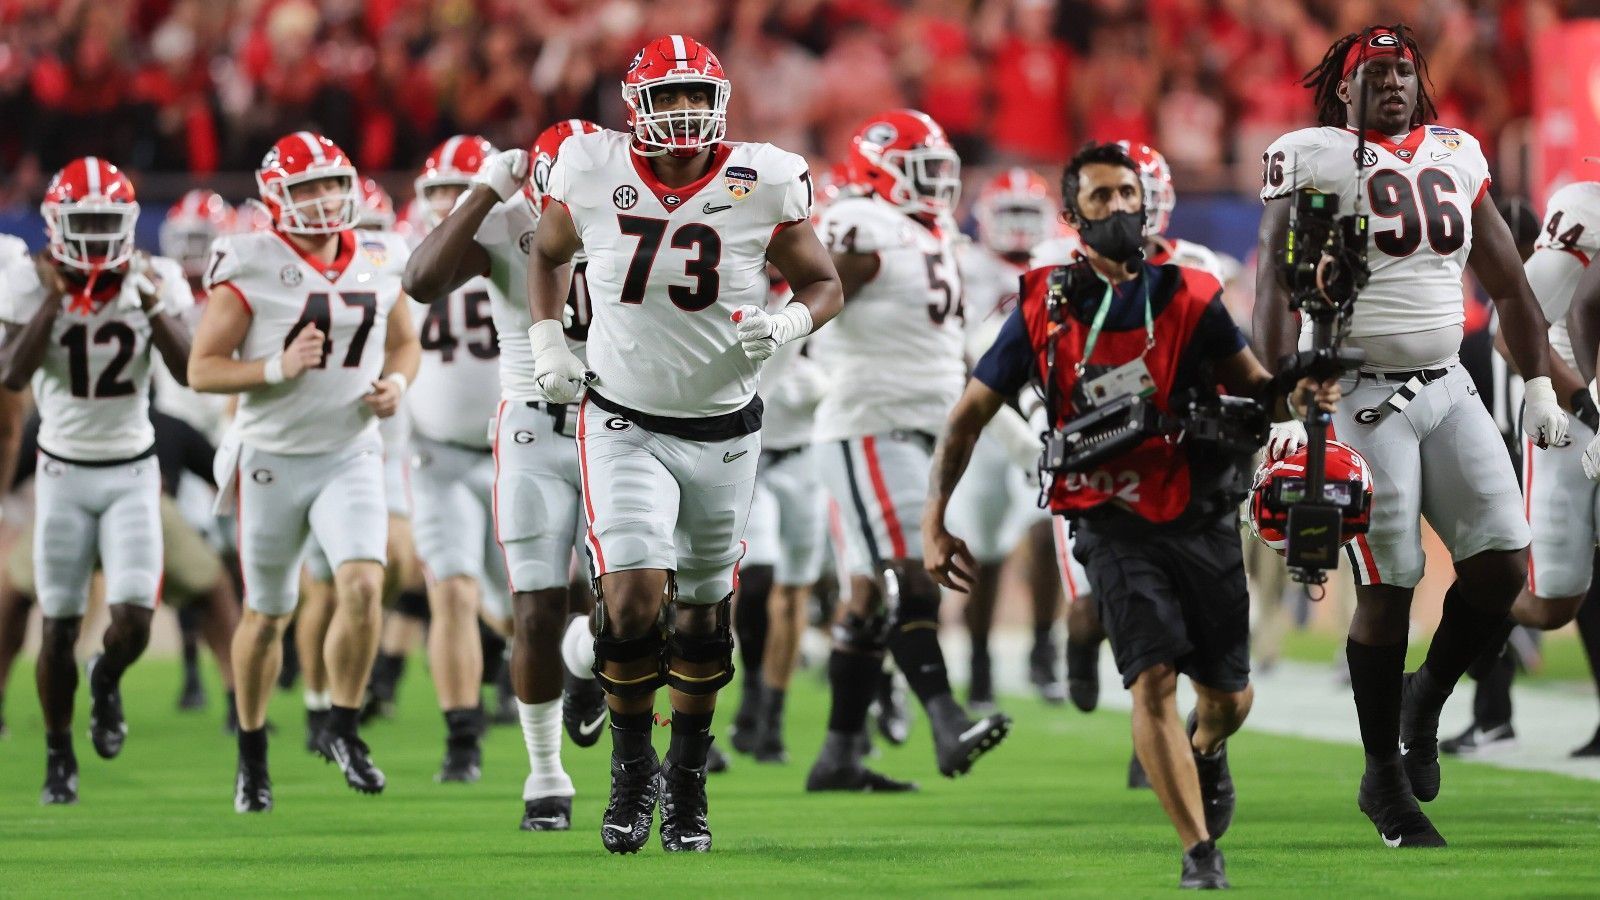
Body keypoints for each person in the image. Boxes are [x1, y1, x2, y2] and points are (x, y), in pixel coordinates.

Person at [926, 141, 1339, 889]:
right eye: (1100, 198)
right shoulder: (1037, 302)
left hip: (1199, 509)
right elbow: (966, 419)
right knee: (1151, 680)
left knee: (1229, 699)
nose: (1118, 208)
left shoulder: (1190, 294)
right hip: (1107, 512)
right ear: (1071, 214)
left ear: (1145, 203)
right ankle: (1199, 851)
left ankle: (1208, 749)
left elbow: (1256, 390)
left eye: (1126, 195)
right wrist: (935, 520)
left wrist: (1298, 391)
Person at [524, 34, 842, 853]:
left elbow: (824, 281)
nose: (684, 111)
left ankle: (688, 783)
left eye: (697, 95)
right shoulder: (591, 167)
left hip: (725, 425)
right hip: (623, 417)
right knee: (630, 598)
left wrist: (786, 323)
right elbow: (548, 253)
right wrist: (550, 343)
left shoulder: (760, 176)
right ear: (636, 105)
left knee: (704, 617)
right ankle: (632, 775)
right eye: (667, 98)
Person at [1255, 25, 1566, 847]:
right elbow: (1271, 285)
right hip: (1354, 394)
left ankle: (1427, 697)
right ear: (1342, 87)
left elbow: (1506, 278)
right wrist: (1283, 395)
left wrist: (1537, 381)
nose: (1392, 84)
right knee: (1387, 586)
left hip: (1447, 383)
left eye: (1402, 71)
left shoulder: (1458, 151)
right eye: (1374, 73)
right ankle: (1382, 779)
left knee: (1502, 562)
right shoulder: (1311, 154)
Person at [189, 131, 421, 813]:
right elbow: (202, 368)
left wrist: (397, 388)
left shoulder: (381, 253)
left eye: (331, 184)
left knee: (362, 585)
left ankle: (344, 727)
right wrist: (274, 368)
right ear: (274, 199)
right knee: (268, 615)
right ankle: (253, 754)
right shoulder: (252, 261)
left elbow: (403, 344)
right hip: (272, 457)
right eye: (306, 188)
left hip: (350, 450)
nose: (323, 201)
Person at [803, 110, 1013, 795]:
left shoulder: (930, 232)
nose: (936, 185)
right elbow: (814, 299)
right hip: (870, 421)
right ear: (878, 167)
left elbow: (955, 357)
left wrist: (1019, 439)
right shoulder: (861, 222)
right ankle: (947, 721)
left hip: (919, 427)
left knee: (866, 599)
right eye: (922, 169)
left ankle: (837, 758)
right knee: (909, 576)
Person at [405, 119, 600, 830]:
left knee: (635, 602)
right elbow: (421, 280)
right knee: (535, 609)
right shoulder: (510, 219)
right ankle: (544, 776)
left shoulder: (634, 214)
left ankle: (586, 658)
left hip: (619, 426)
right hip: (532, 423)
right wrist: (485, 193)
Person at [0, 157, 193, 805]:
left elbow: (190, 370)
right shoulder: (30, 283)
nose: (93, 237)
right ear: (55, 224)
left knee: (134, 620)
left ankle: (105, 678)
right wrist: (56, 297)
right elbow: (10, 376)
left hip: (133, 472)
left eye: (105, 223)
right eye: (81, 223)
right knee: (56, 624)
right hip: (61, 474)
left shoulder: (154, 277)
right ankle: (59, 753)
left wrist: (150, 304)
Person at [1032, 141, 1230, 717]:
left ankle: (1155, 740)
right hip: (1092, 454)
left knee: (1170, 610)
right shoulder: (1058, 262)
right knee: (1094, 608)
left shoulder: (1195, 264)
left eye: (1134, 194)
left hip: (1173, 457)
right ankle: (1077, 643)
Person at [952, 166, 1068, 711]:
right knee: (985, 548)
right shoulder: (961, 265)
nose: (1020, 228)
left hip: (1043, 414)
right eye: (1010, 214)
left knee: (1047, 526)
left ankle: (1044, 648)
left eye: (1030, 214)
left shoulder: (1064, 261)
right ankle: (978, 661)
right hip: (983, 422)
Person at [727, 264, 828, 763]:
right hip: (752, 453)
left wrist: (821, 380)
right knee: (759, 575)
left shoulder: (821, 287)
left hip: (806, 454)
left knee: (794, 591)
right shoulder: (732, 279)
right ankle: (747, 692)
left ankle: (770, 715)